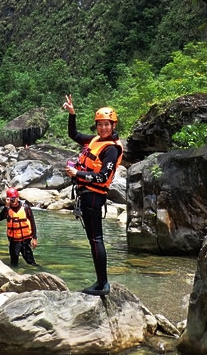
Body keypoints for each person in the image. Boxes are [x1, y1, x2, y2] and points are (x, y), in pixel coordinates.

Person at [62, 94, 123, 296]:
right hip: (87, 195)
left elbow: (102, 176)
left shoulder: (112, 149)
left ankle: (103, 284)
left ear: (113, 125)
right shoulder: (96, 140)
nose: (103, 128)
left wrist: (77, 173)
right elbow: (74, 135)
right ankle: (100, 282)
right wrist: (72, 114)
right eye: (100, 124)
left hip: (94, 196)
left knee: (96, 239)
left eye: (107, 124)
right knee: (93, 240)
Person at [0, 187, 38, 266]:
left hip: (25, 240)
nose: (13, 201)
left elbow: (32, 223)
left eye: (14, 198)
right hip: (14, 241)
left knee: (31, 263)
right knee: (13, 264)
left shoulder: (26, 208)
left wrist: (34, 238)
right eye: (11, 199)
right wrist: (6, 206)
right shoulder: (8, 209)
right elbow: (0, 218)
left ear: (18, 198)